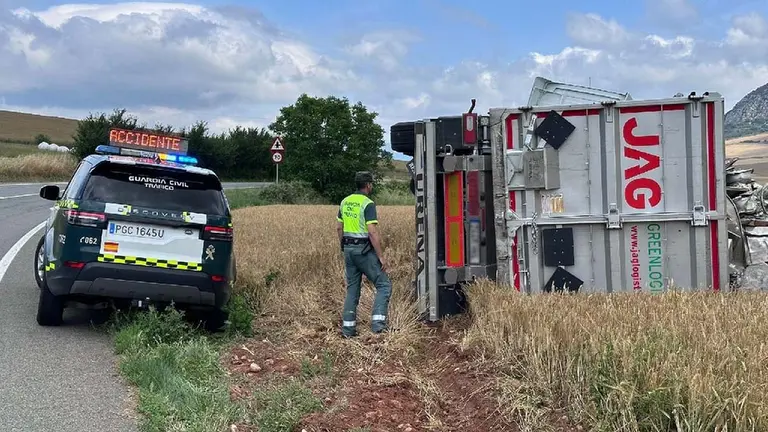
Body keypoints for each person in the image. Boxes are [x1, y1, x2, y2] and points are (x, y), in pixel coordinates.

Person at [336, 171, 392, 338]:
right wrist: (380, 256)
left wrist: (343, 246)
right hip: (364, 251)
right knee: (384, 285)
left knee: (353, 288)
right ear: (368, 185)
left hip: (348, 250)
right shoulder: (367, 203)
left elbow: (339, 228)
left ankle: (348, 330)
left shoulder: (345, 201)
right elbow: (372, 232)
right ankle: (378, 326)